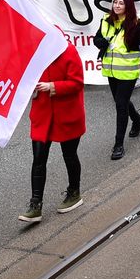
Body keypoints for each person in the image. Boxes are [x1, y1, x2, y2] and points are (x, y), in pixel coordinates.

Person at [19, 40, 86, 222]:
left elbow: (77, 83)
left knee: (69, 155)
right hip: (43, 115)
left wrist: (52, 86)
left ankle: (74, 192)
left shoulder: (69, 51)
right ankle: (35, 204)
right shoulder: (35, 52)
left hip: (67, 115)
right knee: (38, 159)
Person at [93, 0, 140, 160]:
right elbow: (97, 38)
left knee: (121, 105)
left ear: (128, 6)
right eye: (115, 2)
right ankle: (137, 119)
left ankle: (118, 145)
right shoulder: (106, 20)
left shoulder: (136, 24)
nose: (117, 5)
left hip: (128, 72)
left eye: (121, 3)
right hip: (111, 70)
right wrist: (100, 42)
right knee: (119, 101)